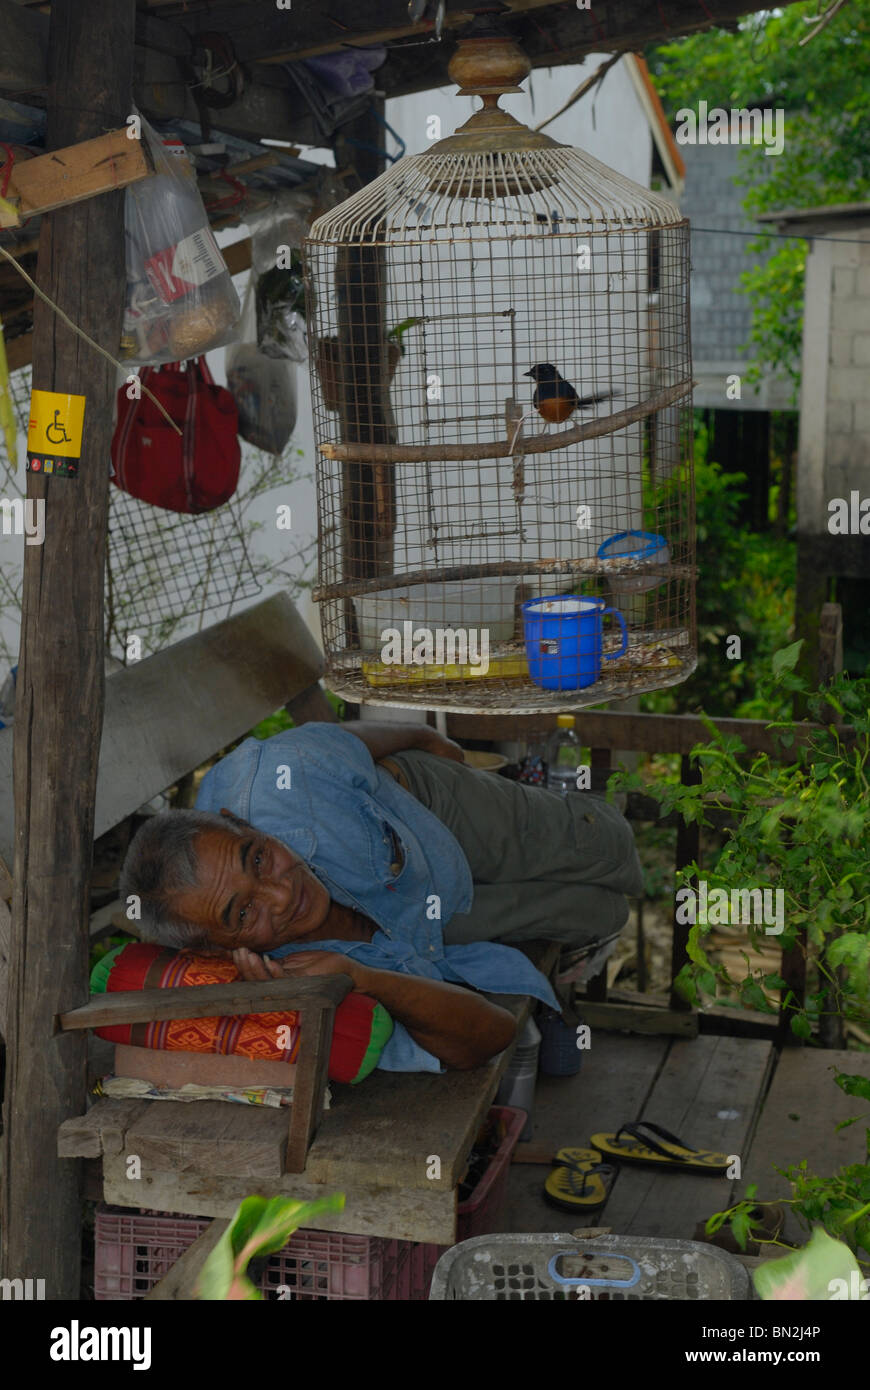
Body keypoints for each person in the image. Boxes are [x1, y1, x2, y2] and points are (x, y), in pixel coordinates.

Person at [119, 719, 643, 1073]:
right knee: (599, 912)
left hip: (431, 804)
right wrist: (362, 979)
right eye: (243, 912)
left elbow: (338, 742)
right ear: (213, 950)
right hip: (430, 919)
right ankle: (578, 962)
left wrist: (419, 736)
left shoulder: (274, 781)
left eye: (257, 858)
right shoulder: (290, 979)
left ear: (237, 823)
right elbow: (486, 1038)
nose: (282, 893)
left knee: (606, 844)